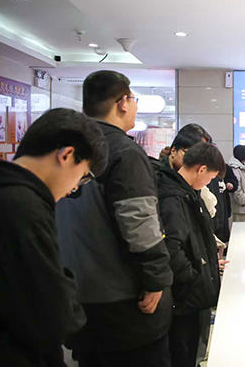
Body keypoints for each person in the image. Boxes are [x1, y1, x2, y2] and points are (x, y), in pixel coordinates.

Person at [56, 71, 174, 366]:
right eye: (134, 99)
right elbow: (139, 222)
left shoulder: (65, 150)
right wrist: (156, 279)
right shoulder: (123, 152)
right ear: (122, 102)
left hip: (78, 296)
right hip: (125, 303)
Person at [0, 108, 108, 367]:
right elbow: (56, 316)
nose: (74, 188)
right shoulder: (21, 208)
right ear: (67, 155)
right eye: (83, 176)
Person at [156, 142, 225, 367]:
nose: (209, 182)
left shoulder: (187, 193)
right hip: (184, 297)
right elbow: (171, 246)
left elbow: (194, 240)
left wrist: (209, 264)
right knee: (183, 353)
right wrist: (194, 277)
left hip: (190, 295)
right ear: (201, 169)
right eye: (210, 177)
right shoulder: (173, 197)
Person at [228, 144, 245, 223]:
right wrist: (244, 201)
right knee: (240, 229)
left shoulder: (244, 167)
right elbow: (236, 188)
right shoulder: (235, 168)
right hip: (241, 209)